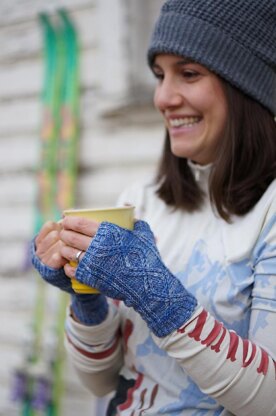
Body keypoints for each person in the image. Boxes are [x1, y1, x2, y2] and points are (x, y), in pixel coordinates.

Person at [32, 0, 276, 414]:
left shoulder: (269, 212)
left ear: (247, 85)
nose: (163, 97)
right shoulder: (139, 200)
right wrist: (86, 301)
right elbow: (100, 381)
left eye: (189, 73)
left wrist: (157, 298)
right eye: (160, 75)